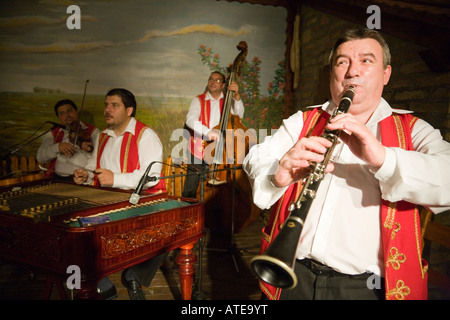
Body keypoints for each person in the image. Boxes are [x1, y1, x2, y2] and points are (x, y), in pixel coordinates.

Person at [243, 28, 450, 300]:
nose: (352, 71)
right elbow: (255, 157)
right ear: (333, 74)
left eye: (366, 61)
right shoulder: (303, 121)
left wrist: (383, 158)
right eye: (342, 62)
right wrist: (278, 174)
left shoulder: (413, 130)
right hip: (293, 276)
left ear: (385, 74)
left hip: (367, 289)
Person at [73, 88, 166, 300]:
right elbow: (94, 166)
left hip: (141, 201)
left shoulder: (146, 135)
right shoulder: (103, 136)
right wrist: (85, 175)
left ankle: (134, 275)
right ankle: (104, 286)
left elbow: (150, 176)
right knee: (73, 233)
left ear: (129, 110)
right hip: (107, 201)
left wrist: (115, 179)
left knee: (166, 228)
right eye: (106, 105)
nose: (107, 110)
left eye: (114, 106)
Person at [182, 71, 244, 198]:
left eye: (217, 80)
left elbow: (239, 115)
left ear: (223, 85)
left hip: (221, 149)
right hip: (199, 146)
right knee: (191, 187)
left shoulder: (228, 100)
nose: (212, 82)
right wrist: (208, 132)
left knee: (222, 189)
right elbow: (190, 120)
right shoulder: (198, 100)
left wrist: (237, 95)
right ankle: (188, 212)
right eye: (211, 79)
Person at [36, 99, 99, 180]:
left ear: (76, 111)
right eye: (62, 113)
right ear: (59, 117)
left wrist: (89, 151)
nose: (67, 115)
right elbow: (40, 157)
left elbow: (99, 158)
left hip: (83, 179)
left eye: (69, 111)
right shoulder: (54, 133)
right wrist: (57, 147)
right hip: (58, 178)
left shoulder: (92, 131)